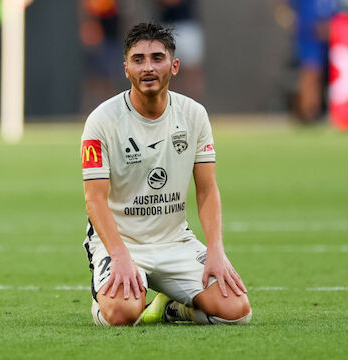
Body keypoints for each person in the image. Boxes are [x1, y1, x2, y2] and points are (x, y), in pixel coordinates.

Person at [81, 22, 251, 326]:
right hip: (121, 242)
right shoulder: (101, 121)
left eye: (157, 58)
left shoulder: (194, 115)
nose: (148, 67)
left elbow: (207, 190)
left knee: (237, 312)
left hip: (175, 241)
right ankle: (103, 305)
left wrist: (216, 251)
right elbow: (94, 200)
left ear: (174, 66)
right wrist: (119, 255)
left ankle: (174, 308)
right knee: (122, 313)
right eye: (138, 59)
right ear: (126, 69)